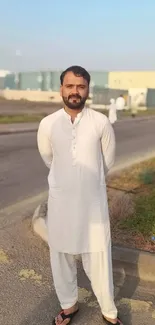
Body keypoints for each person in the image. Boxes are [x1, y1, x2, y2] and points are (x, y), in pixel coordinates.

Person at [37, 65, 123, 325]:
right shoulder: (48, 124)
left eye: (80, 86)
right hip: (61, 201)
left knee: (98, 255)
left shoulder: (100, 122)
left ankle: (109, 311)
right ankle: (69, 305)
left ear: (87, 90)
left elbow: (106, 161)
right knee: (60, 255)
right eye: (70, 86)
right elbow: (48, 158)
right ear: (61, 88)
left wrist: (87, 180)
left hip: (92, 203)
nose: (75, 91)